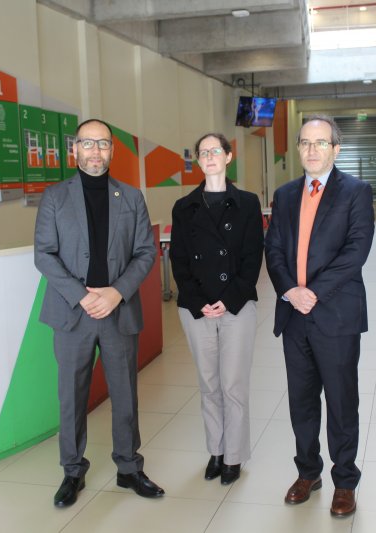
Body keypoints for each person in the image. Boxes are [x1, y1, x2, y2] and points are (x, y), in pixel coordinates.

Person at [34, 118, 164, 507]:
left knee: (125, 394)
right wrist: (82, 296)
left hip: (117, 312)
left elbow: (145, 251)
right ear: (75, 149)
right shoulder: (55, 197)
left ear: (112, 150)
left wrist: (117, 292)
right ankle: (73, 471)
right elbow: (44, 254)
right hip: (72, 314)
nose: (96, 151)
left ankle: (129, 467)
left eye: (103, 144)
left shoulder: (132, 197)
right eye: (88, 144)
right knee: (71, 396)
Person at [265, 115, 374, 518]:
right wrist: (290, 290)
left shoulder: (356, 191)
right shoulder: (285, 195)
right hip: (294, 315)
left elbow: (356, 250)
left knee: (342, 402)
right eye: (305, 143)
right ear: (298, 149)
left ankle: (345, 480)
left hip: (336, 314)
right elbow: (274, 248)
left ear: (336, 149)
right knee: (302, 401)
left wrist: (313, 291)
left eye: (321, 143)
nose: (312, 150)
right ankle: (308, 472)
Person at [170, 133, 264, 486]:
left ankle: (234, 456)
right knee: (209, 384)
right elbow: (179, 260)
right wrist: (199, 301)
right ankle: (216, 450)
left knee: (233, 385)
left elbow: (254, 256)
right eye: (203, 152)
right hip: (197, 309)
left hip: (236, 305)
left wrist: (229, 297)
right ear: (198, 160)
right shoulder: (184, 207)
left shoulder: (248, 203)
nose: (209, 157)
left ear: (228, 156)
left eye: (215, 151)